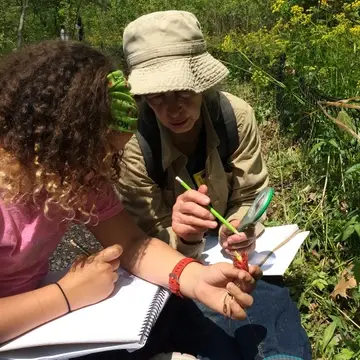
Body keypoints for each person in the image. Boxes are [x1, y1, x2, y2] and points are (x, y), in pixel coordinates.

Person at [0, 40, 262, 359]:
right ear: (58, 143)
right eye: (96, 156)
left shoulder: (77, 177)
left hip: (39, 323)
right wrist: (66, 294)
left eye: (112, 156)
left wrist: (194, 277)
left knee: (179, 317)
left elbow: (133, 242)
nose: (102, 170)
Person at [117, 10, 312, 360]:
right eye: (157, 96)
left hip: (230, 253)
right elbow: (140, 243)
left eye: (183, 91)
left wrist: (240, 225)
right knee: (200, 329)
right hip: (171, 261)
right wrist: (185, 237)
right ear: (142, 96)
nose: (173, 108)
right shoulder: (133, 145)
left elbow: (251, 193)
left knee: (265, 303)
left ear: (203, 83)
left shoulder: (234, 117)